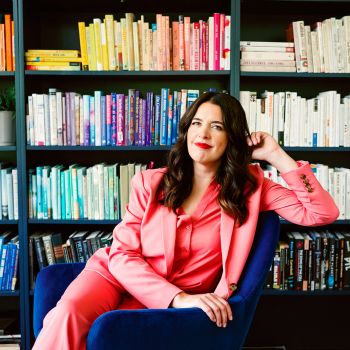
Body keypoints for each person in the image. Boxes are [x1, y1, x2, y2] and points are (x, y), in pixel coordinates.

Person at [32, 91, 339, 350]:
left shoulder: (251, 188)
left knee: (108, 332)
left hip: (173, 295)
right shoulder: (150, 182)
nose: (203, 134)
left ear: (232, 138)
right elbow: (122, 255)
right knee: (67, 314)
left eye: (217, 127)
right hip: (115, 276)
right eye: (197, 123)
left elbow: (321, 213)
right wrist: (177, 299)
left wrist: (275, 154)